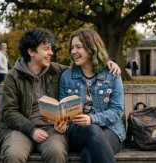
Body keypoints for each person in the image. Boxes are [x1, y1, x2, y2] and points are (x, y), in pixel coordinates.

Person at [0, 28, 121, 163]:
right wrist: (33, 130)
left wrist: (107, 62)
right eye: (46, 49)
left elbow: (87, 68)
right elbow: (9, 111)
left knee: (64, 153)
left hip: (52, 128)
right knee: (14, 155)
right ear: (31, 52)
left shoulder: (56, 70)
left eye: (78, 47)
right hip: (21, 129)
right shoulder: (13, 76)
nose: (51, 52)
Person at [59, 29, 125, 163]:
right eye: (72, 48)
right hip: (78, 131)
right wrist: (61, 124)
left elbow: (117, 111)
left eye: (78, 47)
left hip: (110, 129)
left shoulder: (111, 74)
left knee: (88, 155)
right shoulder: (67, 77)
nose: (73, 51)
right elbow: (63, 112)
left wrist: (91, 118)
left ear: (92, 48)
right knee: (92, 130)